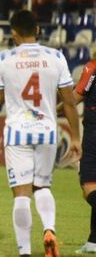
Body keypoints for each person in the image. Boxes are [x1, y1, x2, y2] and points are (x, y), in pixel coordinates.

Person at [0, 10, 81, 257]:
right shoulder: (56, 57)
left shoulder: (3, 58)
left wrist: (5, 89)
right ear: (38, 30)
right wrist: (75, 137)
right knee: (42, 187)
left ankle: (25, 252)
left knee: (21, 194)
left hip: (17, 133)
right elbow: (70, 102)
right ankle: (49, 229)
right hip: (47, 131)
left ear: (13, 33)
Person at [69, 59, 96, 254]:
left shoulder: (93, 66)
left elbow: (75, 97)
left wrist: (53, 110)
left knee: (89, 187)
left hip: (94, 134)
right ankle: (93, 242)